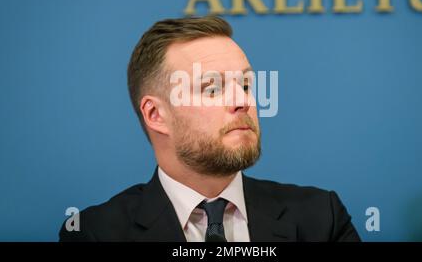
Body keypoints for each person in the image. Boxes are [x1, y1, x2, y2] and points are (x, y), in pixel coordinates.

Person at [59, 16, 360, 242]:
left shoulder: (322, 218)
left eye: (245, 84)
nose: (243, 101)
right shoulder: (94, 234)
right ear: (155, 114)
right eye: (212, 88)